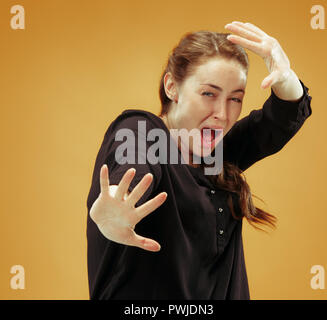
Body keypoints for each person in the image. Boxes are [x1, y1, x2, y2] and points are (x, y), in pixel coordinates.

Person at [86, 21, 313, 299]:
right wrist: (114, 206)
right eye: (209, 93)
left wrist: (286, 75)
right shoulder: (141, 130)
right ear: (172, 87)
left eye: (235, 98)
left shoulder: (215, 155)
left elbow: (278, 120)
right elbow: (133, 162)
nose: (222, 113)